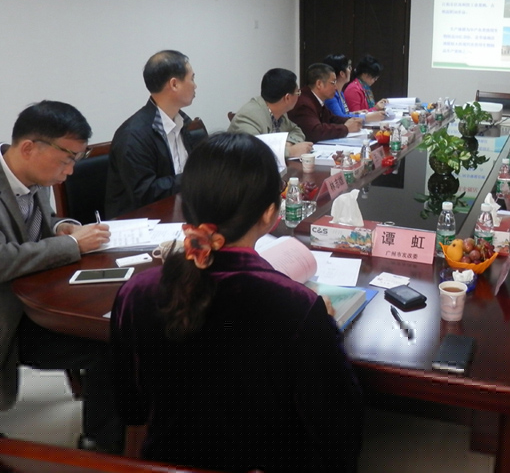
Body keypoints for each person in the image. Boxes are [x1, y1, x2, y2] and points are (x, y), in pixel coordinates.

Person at [111, 133, 363, 472]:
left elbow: (130, 407)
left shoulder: (135, 292)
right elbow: (338, 425)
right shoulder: (296, 305)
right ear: (270, 214)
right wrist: (323, 322)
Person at [0, 101, 121, 452]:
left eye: (76, 160)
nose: (70, 171)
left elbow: (41, 224)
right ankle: (101, 447)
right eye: (66, 159)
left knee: (113, 335)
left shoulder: (34, 176)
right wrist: (71, 245)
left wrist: (63, 227)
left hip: (31, 300)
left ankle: (101, 438)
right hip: (9, 315)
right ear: (28, 148)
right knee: (106, 344)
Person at [106, 50, 200, 218]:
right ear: (174, 84)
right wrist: (195, 178)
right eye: (192, 78)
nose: (195, 85)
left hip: (178, 211)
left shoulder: (182, 122)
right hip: (139, 222)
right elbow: (146, 194)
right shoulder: (132, 136)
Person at [228, 68, 313, 157]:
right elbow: (253, 152)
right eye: (297, 93)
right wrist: (290, 152)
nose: (299, 96)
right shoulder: (248, 117)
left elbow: (296, 130)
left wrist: (288, 143)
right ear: (287, 98)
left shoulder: (279, 111)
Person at [288, 62, 362, 143]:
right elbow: (315, 131)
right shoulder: (303, 103)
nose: (336, 87)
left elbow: (331, 118)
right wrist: (345, 128)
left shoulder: (315, 98)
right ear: (319, 84)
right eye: (333, 83)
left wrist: (351, 120)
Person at [323, 54, 385, 123]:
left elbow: (345, 114)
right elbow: (340, 118)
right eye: (348, 67)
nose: (350, 70)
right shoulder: (331, 95)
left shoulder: (340, 93)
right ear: (342, 74)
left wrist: (354, 113)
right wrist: (367, 116)